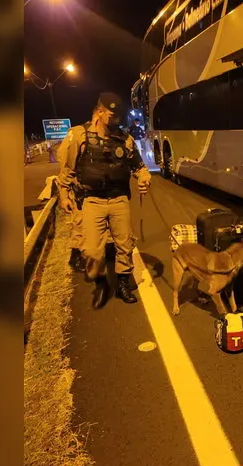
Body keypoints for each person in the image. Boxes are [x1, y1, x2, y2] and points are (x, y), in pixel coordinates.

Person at [55, 92, 152, 308]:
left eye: (119, 116)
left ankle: (124, 282)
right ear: (99, 112)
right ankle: (100, 283)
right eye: (112, 115)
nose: (117, 120)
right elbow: (67, 169)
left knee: (125, 244)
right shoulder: (78, 136)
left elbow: (140, 168)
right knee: (91, 250)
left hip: (118, 200)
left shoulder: (125, 140)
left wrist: (144, 179)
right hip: (92, 200)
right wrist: (63, 195)